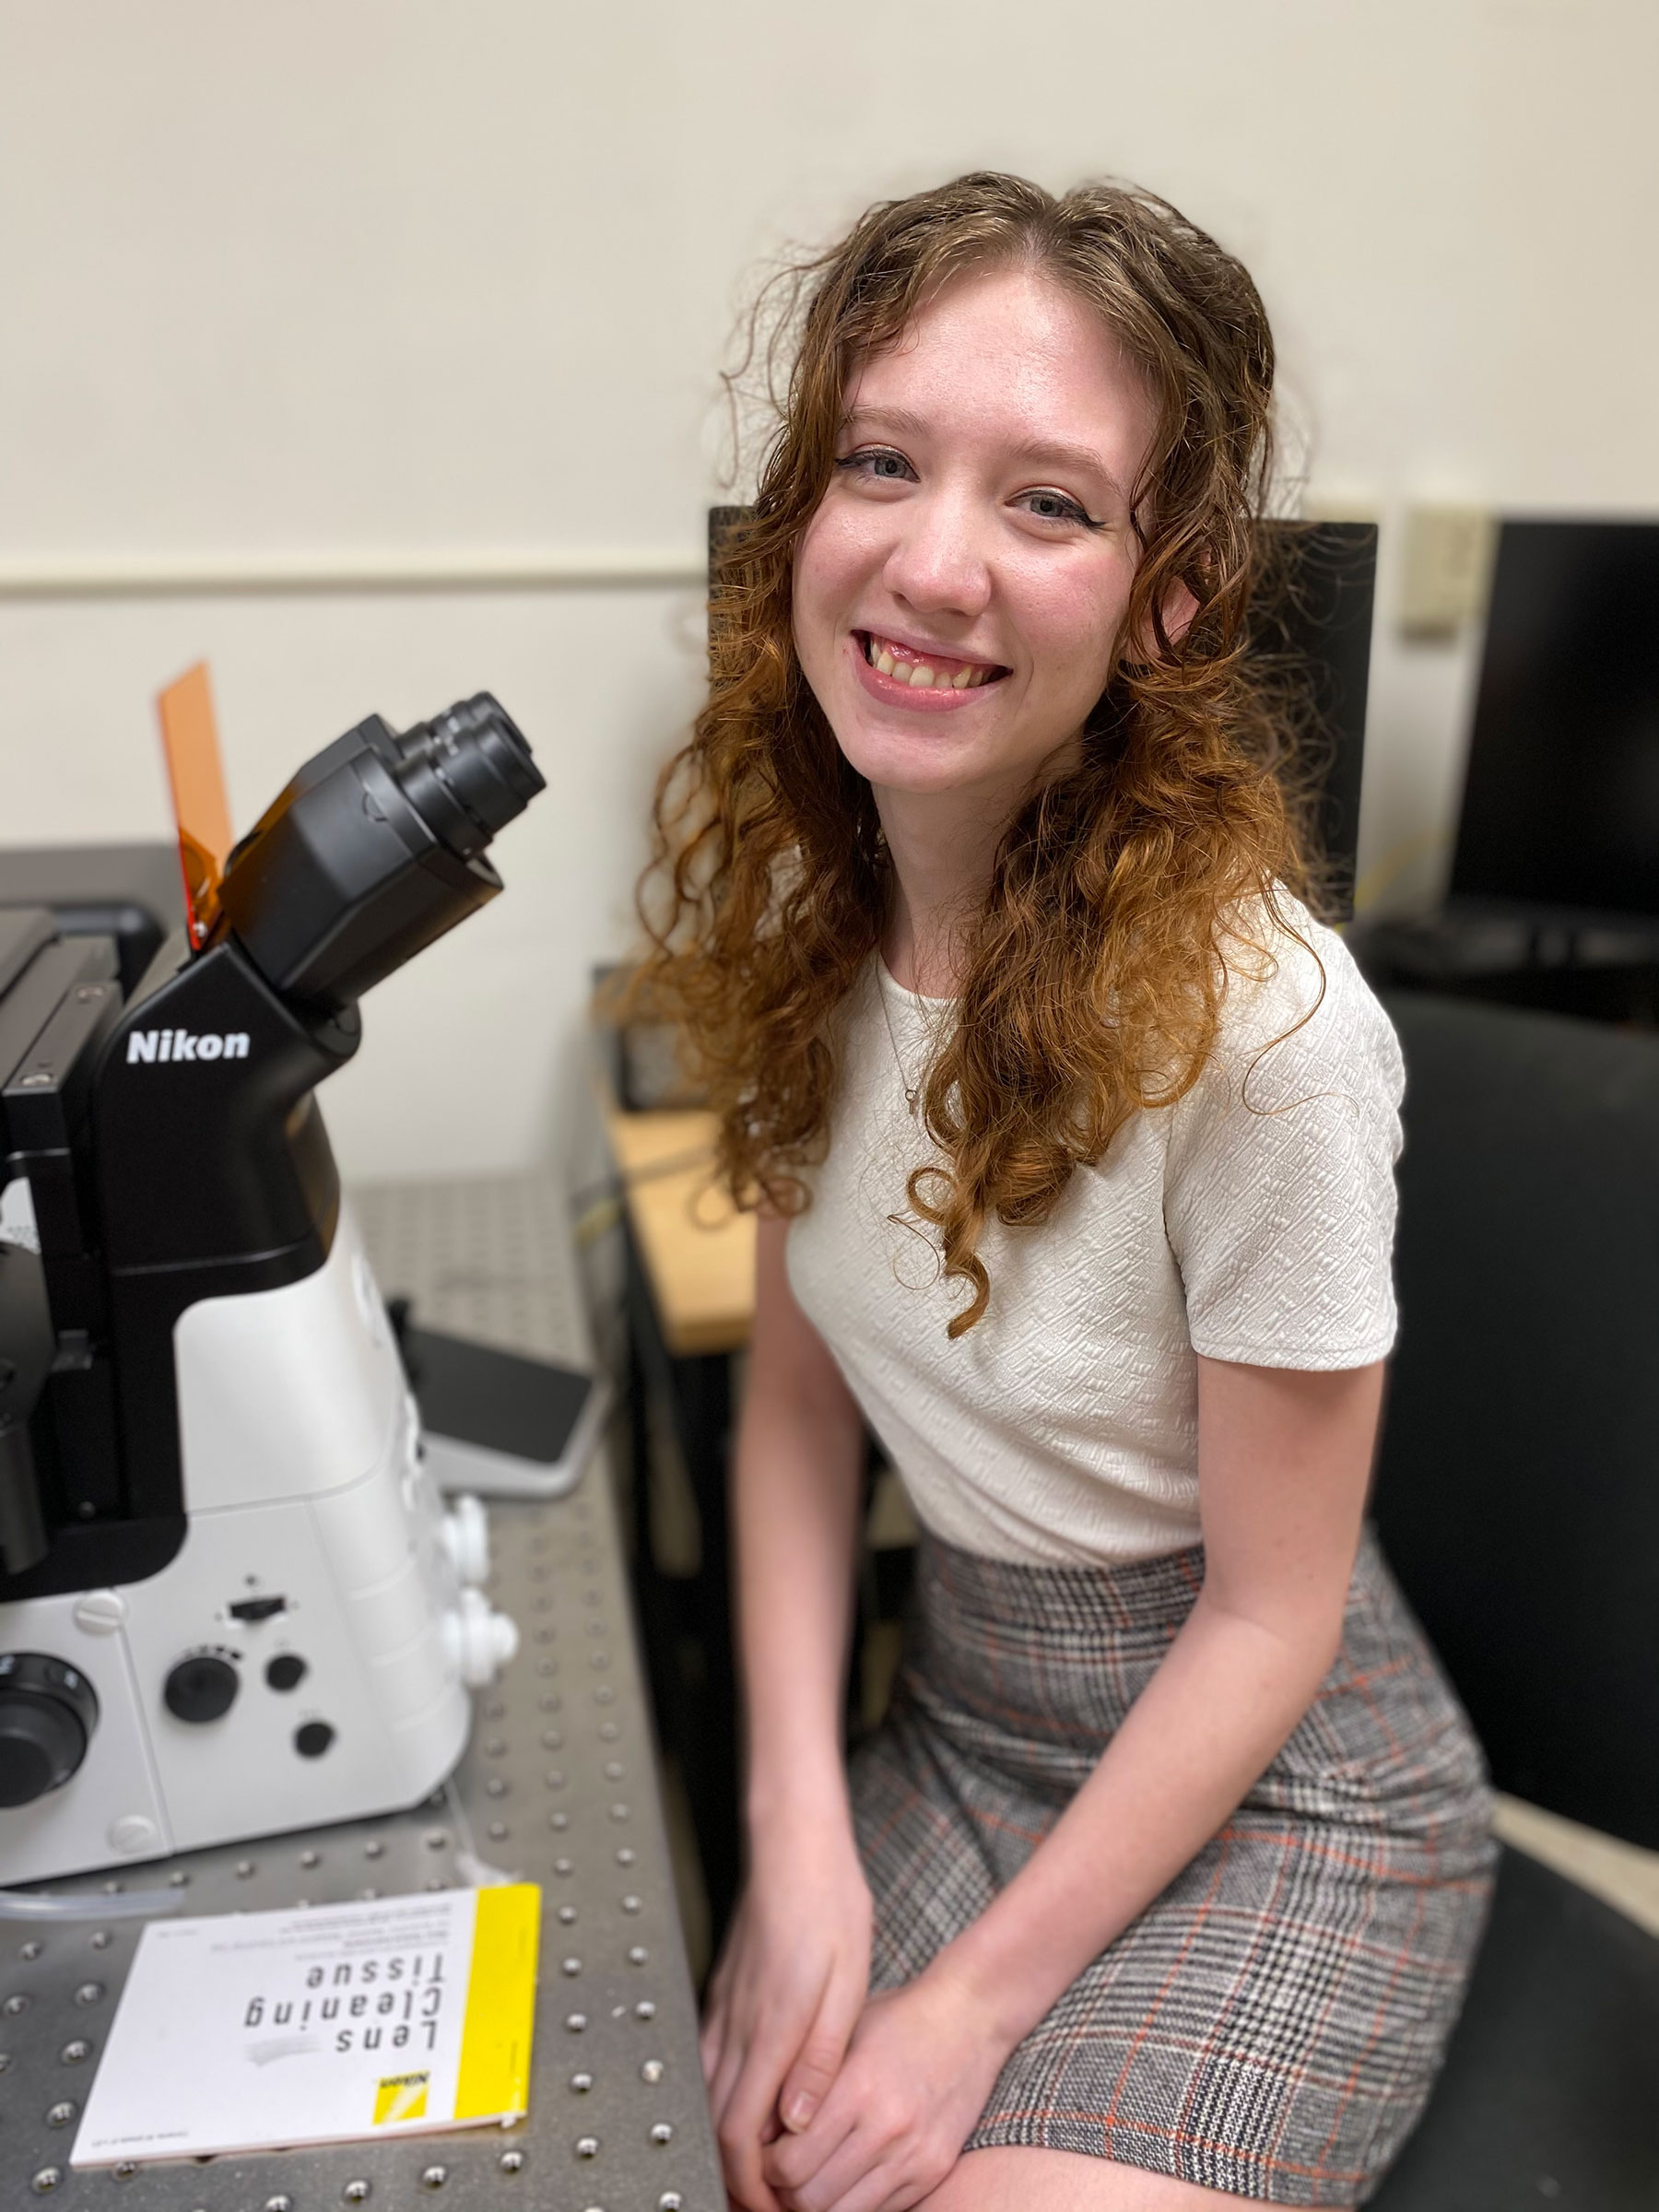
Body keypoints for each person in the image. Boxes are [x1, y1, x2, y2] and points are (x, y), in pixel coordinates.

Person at [638, 172, 1494, 2212]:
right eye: (882, 462)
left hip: (1277, 1777)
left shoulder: (1271, 1034)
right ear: (801, 513)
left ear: (1168, 590)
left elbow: (1276, 1614)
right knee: (745, 2163)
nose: (932, 563)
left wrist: (968, 2013)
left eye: (1047, 503)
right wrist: (797, 1842)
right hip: (965, 1720)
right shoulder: (805, 907)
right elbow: (791, 1405)